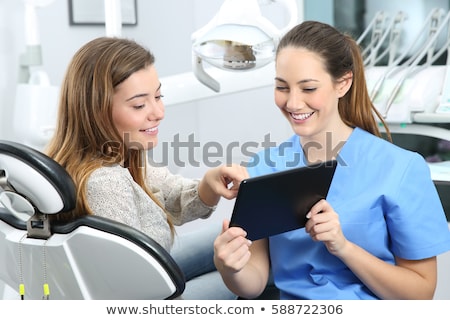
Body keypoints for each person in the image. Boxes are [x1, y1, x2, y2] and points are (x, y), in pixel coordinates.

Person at [213, 20, 450, 300]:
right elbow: (255, 281)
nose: (293, 103)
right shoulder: (265, 166)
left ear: (343, 83)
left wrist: (343, 247)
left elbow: (420, 293)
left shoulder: (401, 168)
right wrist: (230, 267)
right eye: (282, 87)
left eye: (309, 88)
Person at [45, 36, 248, 299]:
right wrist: (236, 278)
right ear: (97, 111)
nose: (158, 112)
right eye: (140, 104)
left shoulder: (117, 154)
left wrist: (208, 185)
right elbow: (132, 290)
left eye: (158, 96)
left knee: (234, 234)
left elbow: (170, 195)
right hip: (143, 299)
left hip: (144, 276)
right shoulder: (106, 183)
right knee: (245, 275)